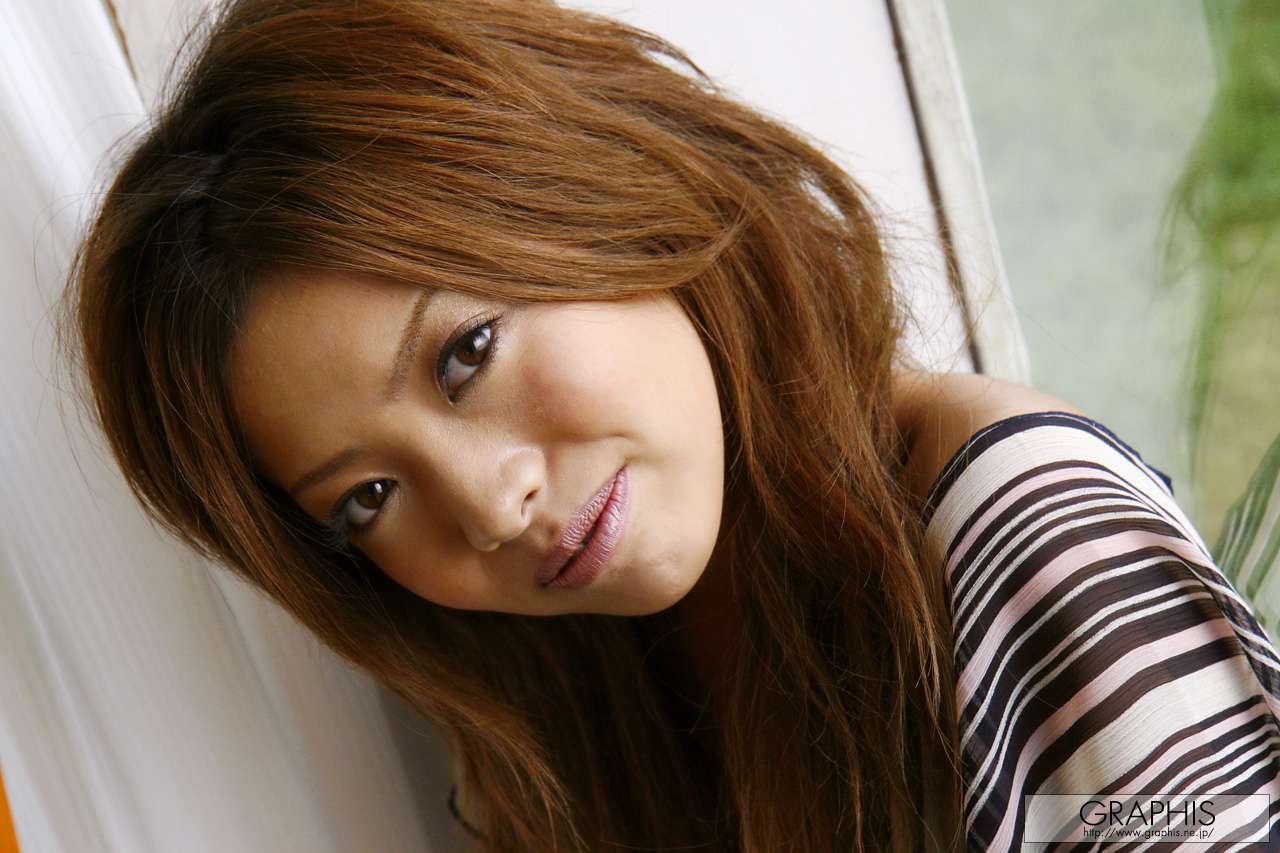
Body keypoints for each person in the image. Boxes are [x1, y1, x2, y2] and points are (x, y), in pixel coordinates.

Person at [63, 0, 1280, 850]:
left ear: (595, 194)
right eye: (366, 499)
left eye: (465, 353)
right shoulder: (561, 708)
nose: (489, 506)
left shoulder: (1019, 537)